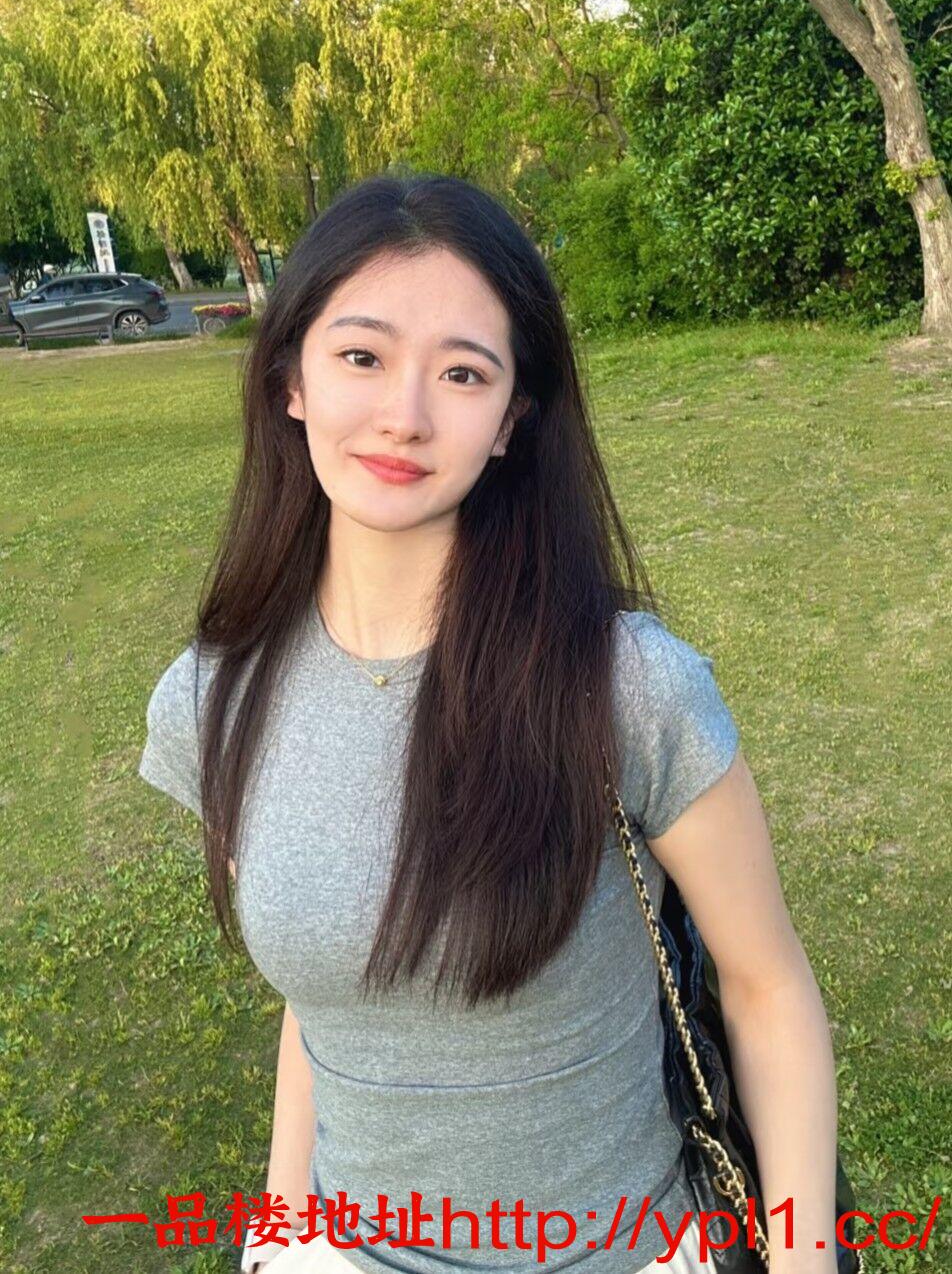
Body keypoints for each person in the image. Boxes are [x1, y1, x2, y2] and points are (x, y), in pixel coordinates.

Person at [138, 172, 844, 1274]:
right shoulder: (213, 700)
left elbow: (768, 991)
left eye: (462, 373)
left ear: (512, 418)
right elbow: (326, 1000)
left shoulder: (627, 687)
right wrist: (276, 1237)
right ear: (290, 378)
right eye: (361, 356)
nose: (405, 415)